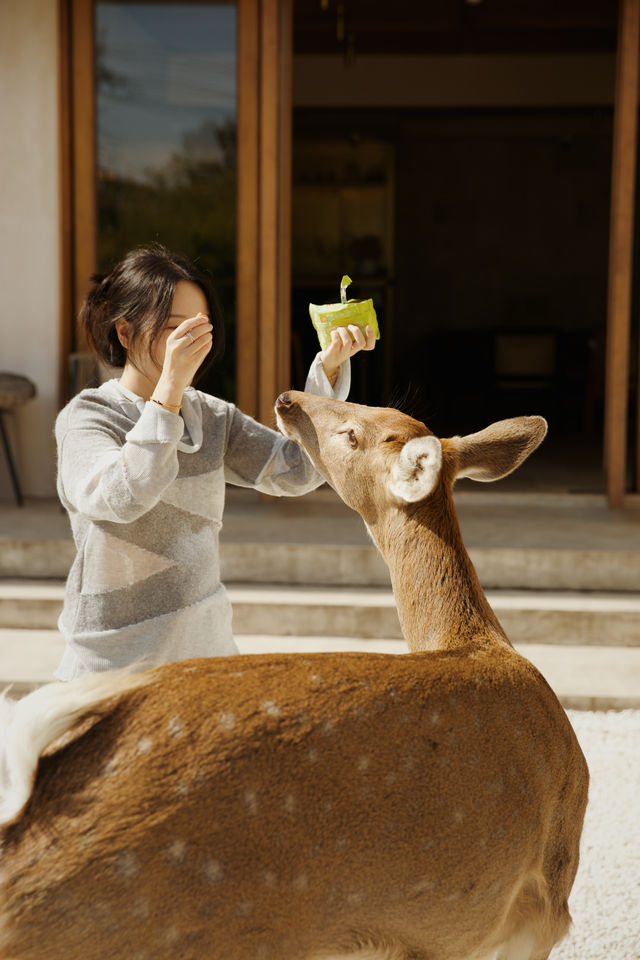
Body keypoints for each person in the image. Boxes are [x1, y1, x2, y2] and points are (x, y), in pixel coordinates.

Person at [54, 244, 376, 680]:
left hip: (206, 659)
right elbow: (123, 496)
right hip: (110, 663)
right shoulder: (88, 417)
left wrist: (330, 372)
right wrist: (168, 391)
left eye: (197, 328)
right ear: (125, 332)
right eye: (172, 328)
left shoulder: (210, 416)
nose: (188, 341)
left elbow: (297, 471)